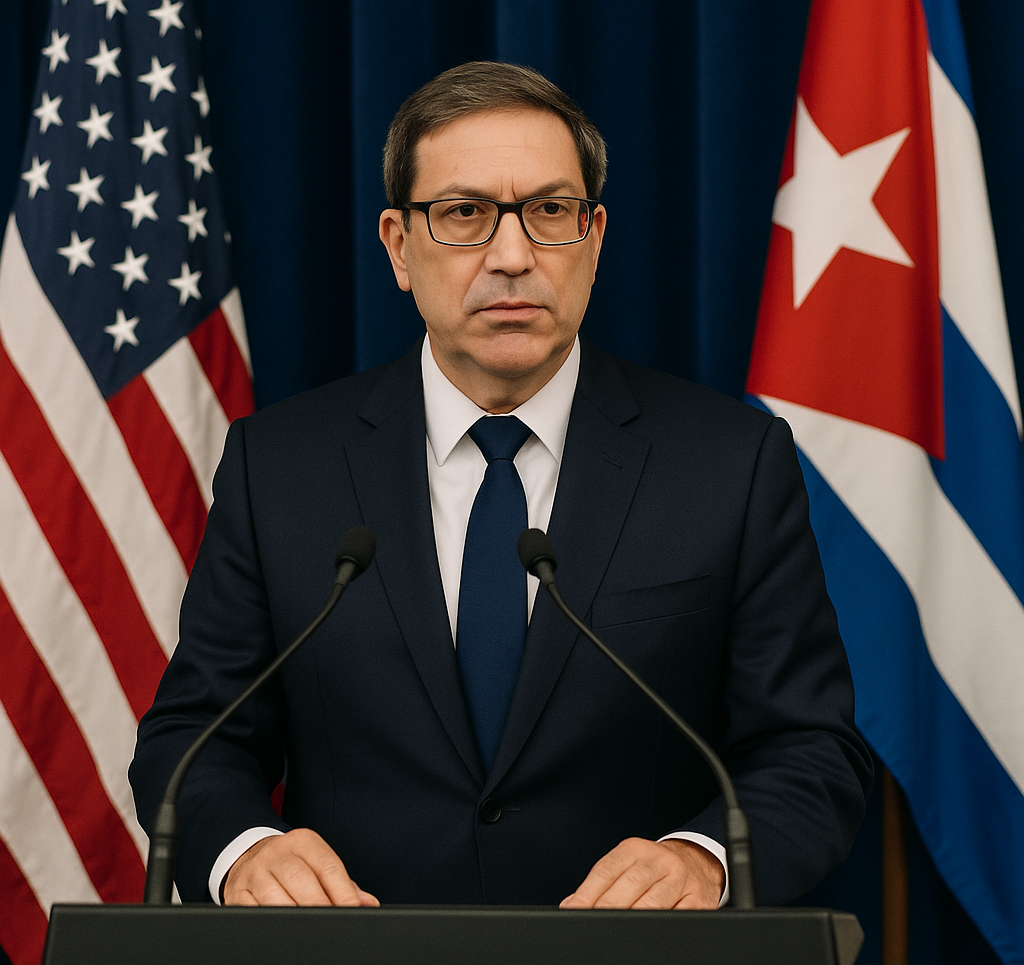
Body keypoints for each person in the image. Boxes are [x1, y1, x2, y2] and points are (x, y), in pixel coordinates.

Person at [130, 62, 872, 917]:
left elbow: (811, 750)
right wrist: (246, 854)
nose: (513, 256)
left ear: (594, 239)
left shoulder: (731, 463)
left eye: (551, 212)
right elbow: (194, 738)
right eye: (464, 214)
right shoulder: (281, 465)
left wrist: (706, 862)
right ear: (399, 248)